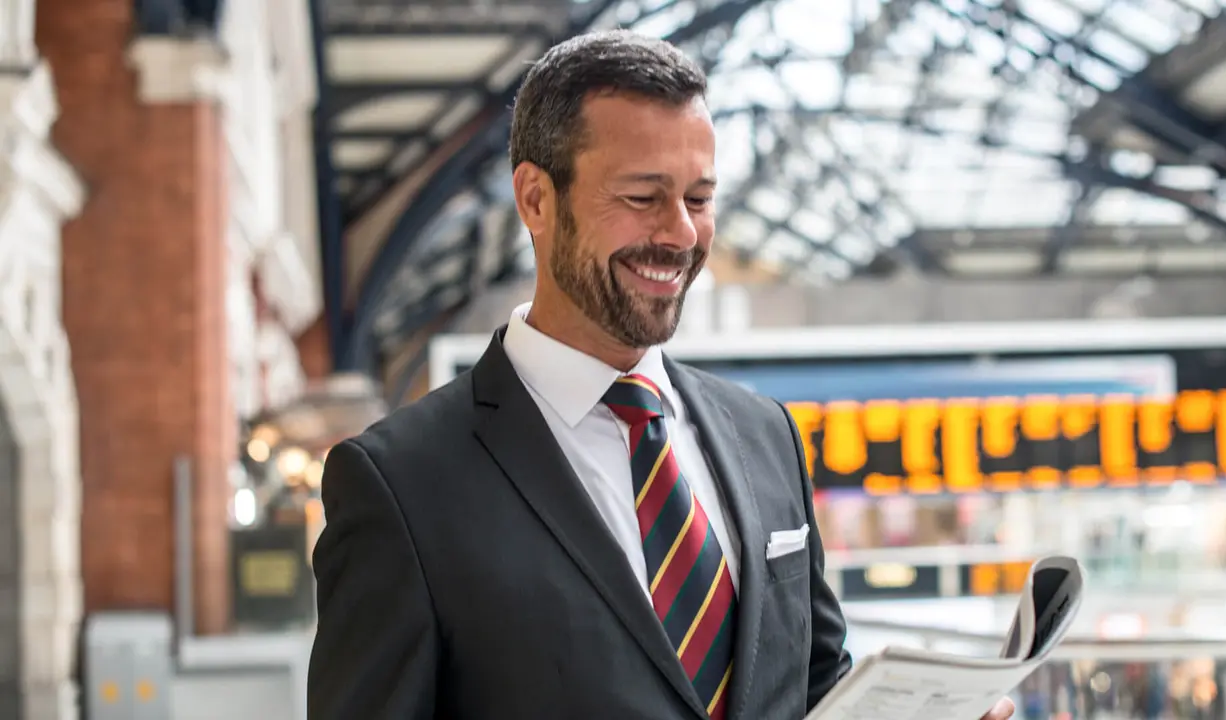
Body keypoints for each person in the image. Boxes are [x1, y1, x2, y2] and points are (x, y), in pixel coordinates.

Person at [307, 29, 1017, 720]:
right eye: (642, 198)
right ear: (536, 200)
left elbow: (810, 686)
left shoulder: (765, 436)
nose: (680, 233)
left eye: (699, 199)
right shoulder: (401, 486)